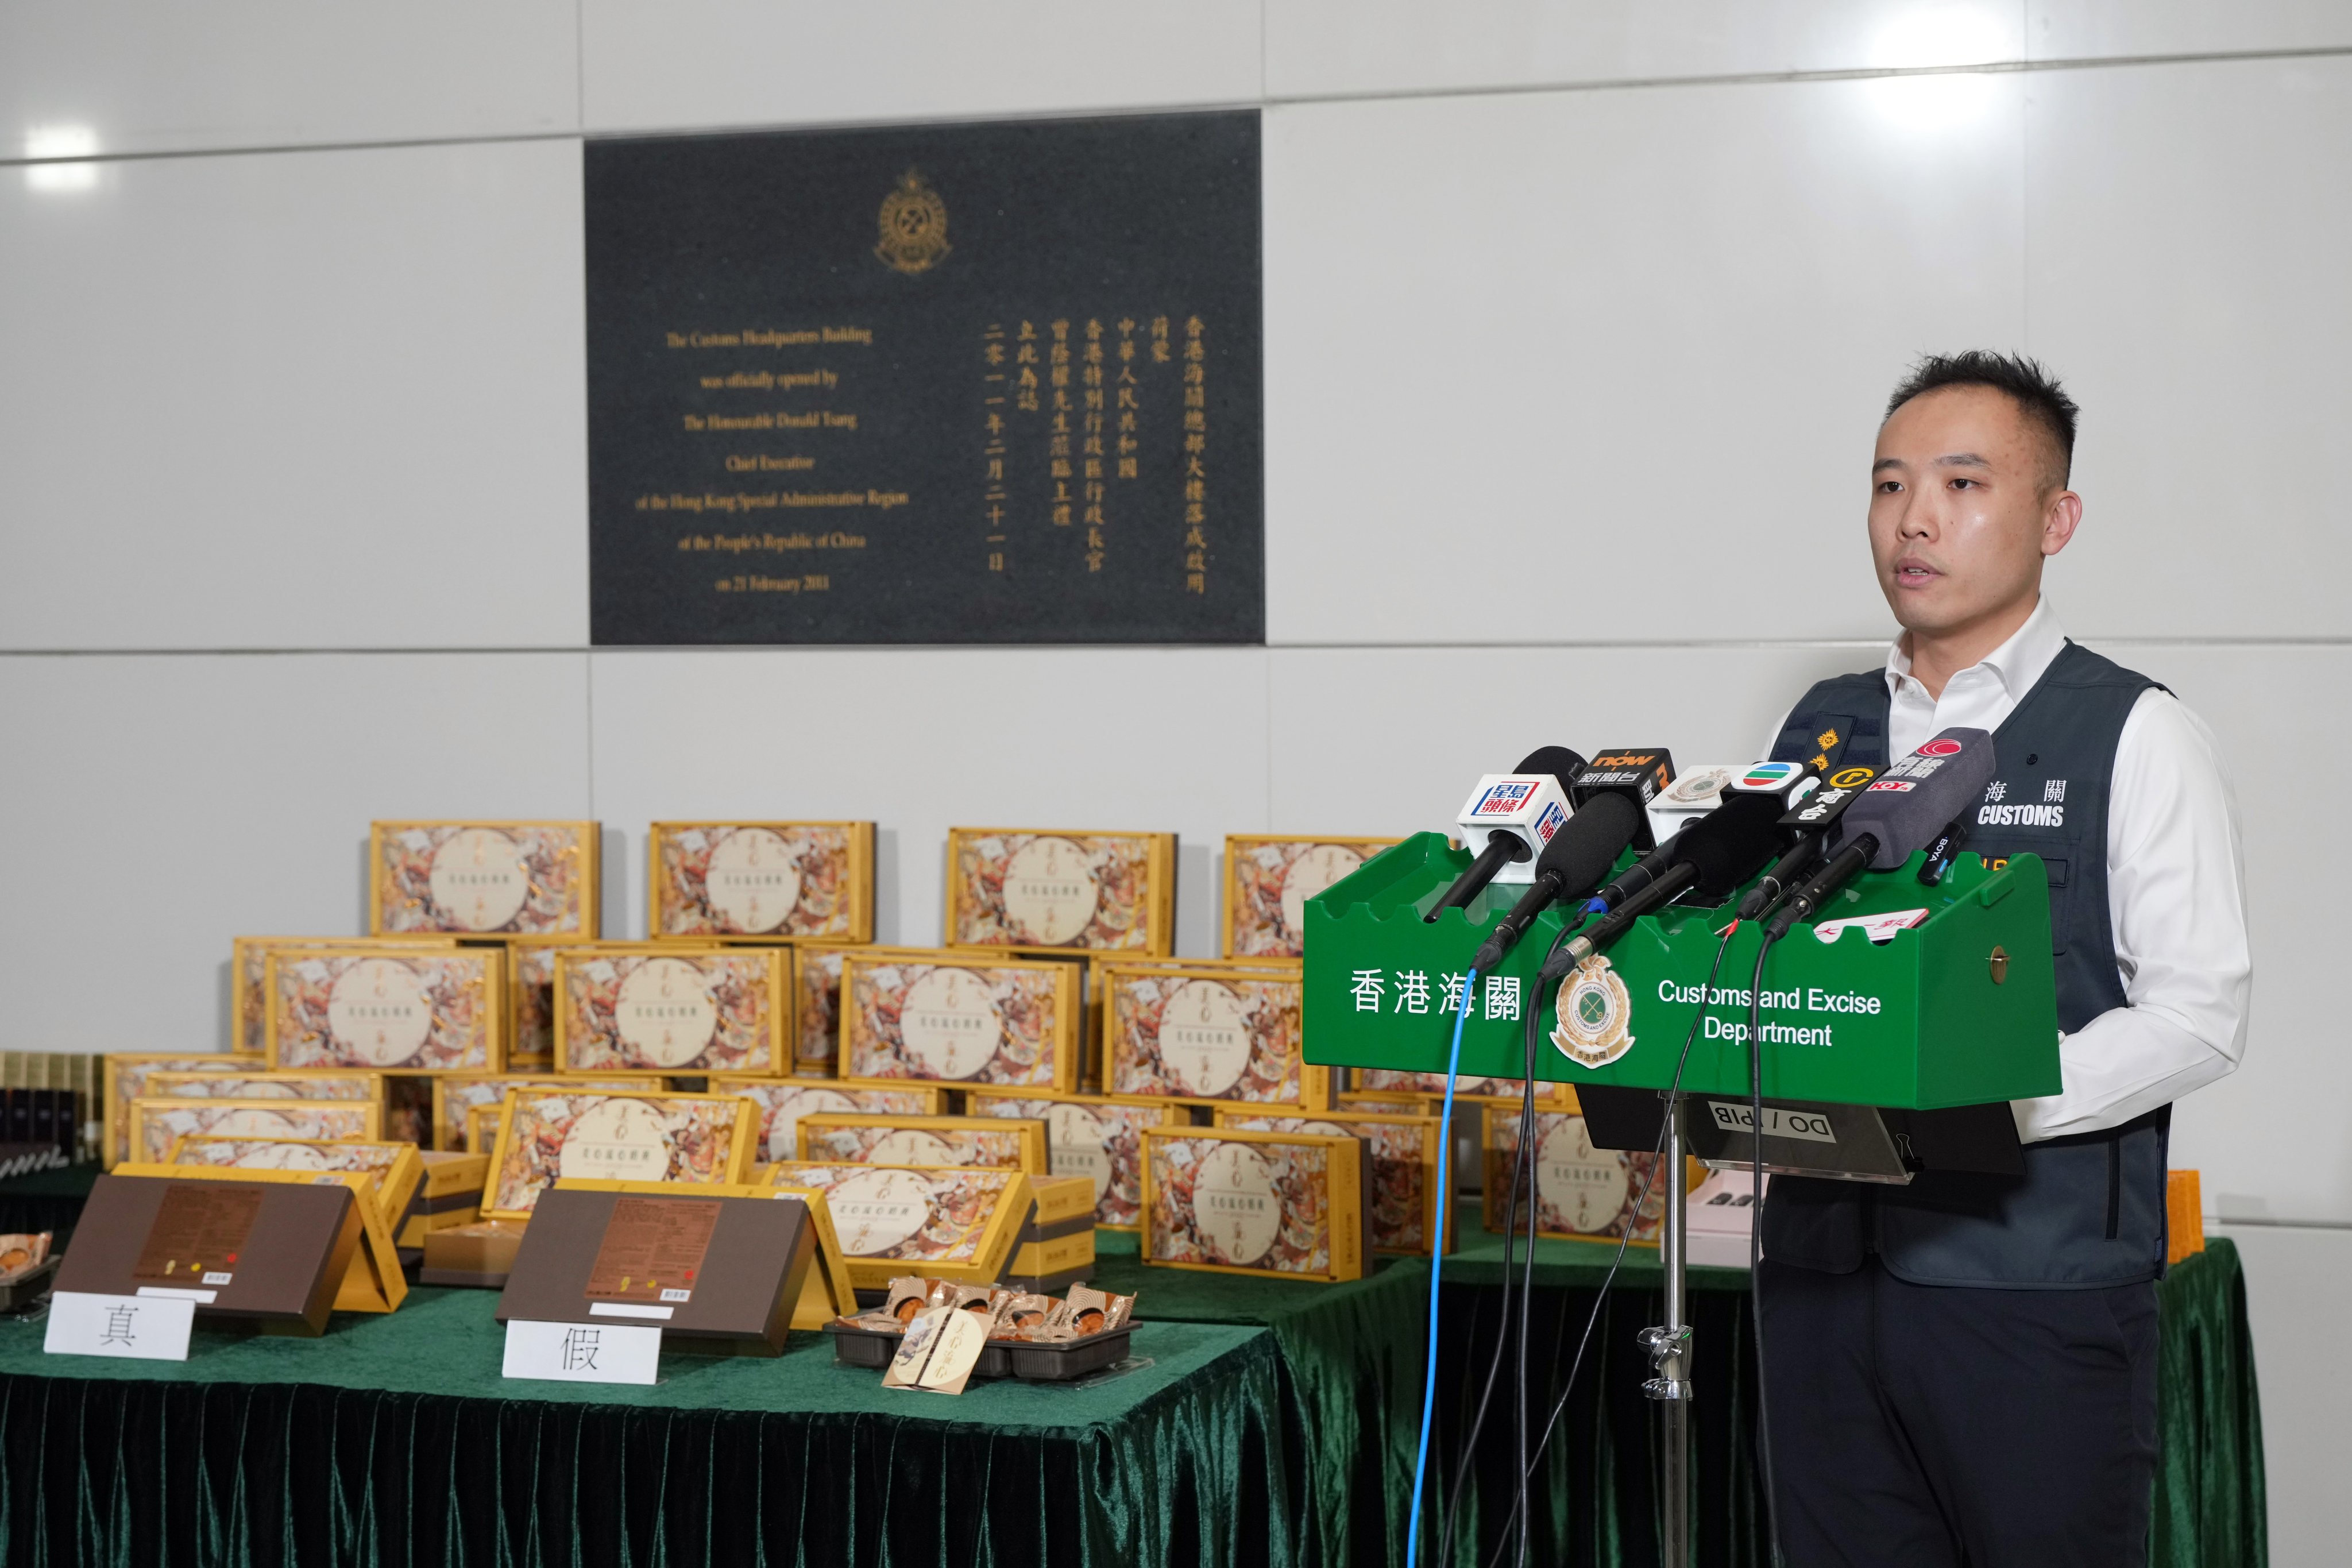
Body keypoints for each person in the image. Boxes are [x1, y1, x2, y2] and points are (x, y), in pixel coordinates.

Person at [1756, 352, 2251, 1565]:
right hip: (1818, 1281)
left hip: (2031, 1296)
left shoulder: (2133, 731)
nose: (1913, 518)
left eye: (1961, 483)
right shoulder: (1820, 728)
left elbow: (2197, 1011)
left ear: (2054, 518)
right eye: (1887, 485)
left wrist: (1981, 1095)